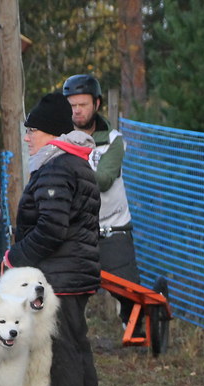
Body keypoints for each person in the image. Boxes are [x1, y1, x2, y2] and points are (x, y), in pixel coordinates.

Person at [5, 92, 107, 386]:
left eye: (32, 130)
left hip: (60, 276)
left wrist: (15, 257)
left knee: (63, 352)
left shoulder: (57, 167)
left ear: (50, 132)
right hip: (74, 271)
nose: (28, 136)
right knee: (78, 348)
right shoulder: (72, 163)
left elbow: (51, 228)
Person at [62, 73, 144, 330]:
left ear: (96, 104)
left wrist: (71, 170)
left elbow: (105, 179)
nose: (77, 111)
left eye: (82, 105)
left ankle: (136, 327)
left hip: (113, 228)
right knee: (67, 291)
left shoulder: (113, 141)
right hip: (77, 230)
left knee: (129, 293)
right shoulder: (61, 138)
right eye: (72, 105)